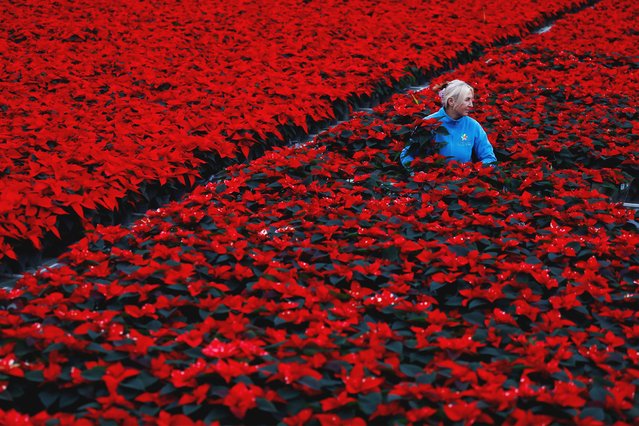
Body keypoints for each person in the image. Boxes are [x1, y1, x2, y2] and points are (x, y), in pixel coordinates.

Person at [400, 80, 497, 168]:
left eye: (471, 100)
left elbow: (489, 158)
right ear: (451, 101)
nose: (471, 105)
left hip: (463, 180)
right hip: (435, 183)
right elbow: (407, 154)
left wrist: (475, 172)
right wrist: (416, 172)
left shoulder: (473, 126)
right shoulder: (429, 123)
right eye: (467, 100)